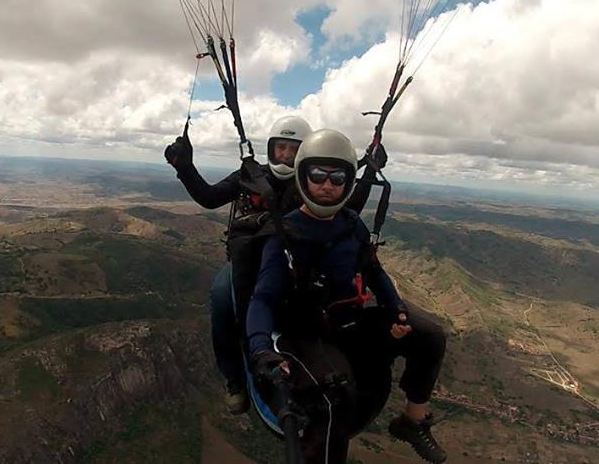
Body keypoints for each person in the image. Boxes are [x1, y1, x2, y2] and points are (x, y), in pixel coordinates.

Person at [245, 129, 448, 463]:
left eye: (337, 176)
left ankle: (413, 421)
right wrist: (261, 349)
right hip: (305, 333)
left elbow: (373, 272)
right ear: (303, 176)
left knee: (429, 336)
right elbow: (263, 298)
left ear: (348, 181)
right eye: (318, 175)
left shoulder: (351, 225)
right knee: (334, 396)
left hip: (348, 324)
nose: (327, 184)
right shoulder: (283, 233)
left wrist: (396, 309)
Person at [164, 117, 388, 415]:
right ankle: (234, 377)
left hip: (294, 266)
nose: (284, 156)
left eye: (293, 150)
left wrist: (369, 173)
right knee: (221, 296)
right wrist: (185, 168)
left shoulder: (312, 183)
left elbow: (348, 209)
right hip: (248, 263)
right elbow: (209, 197)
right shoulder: (251, 176)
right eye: (279, 148)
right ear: (269, 149)